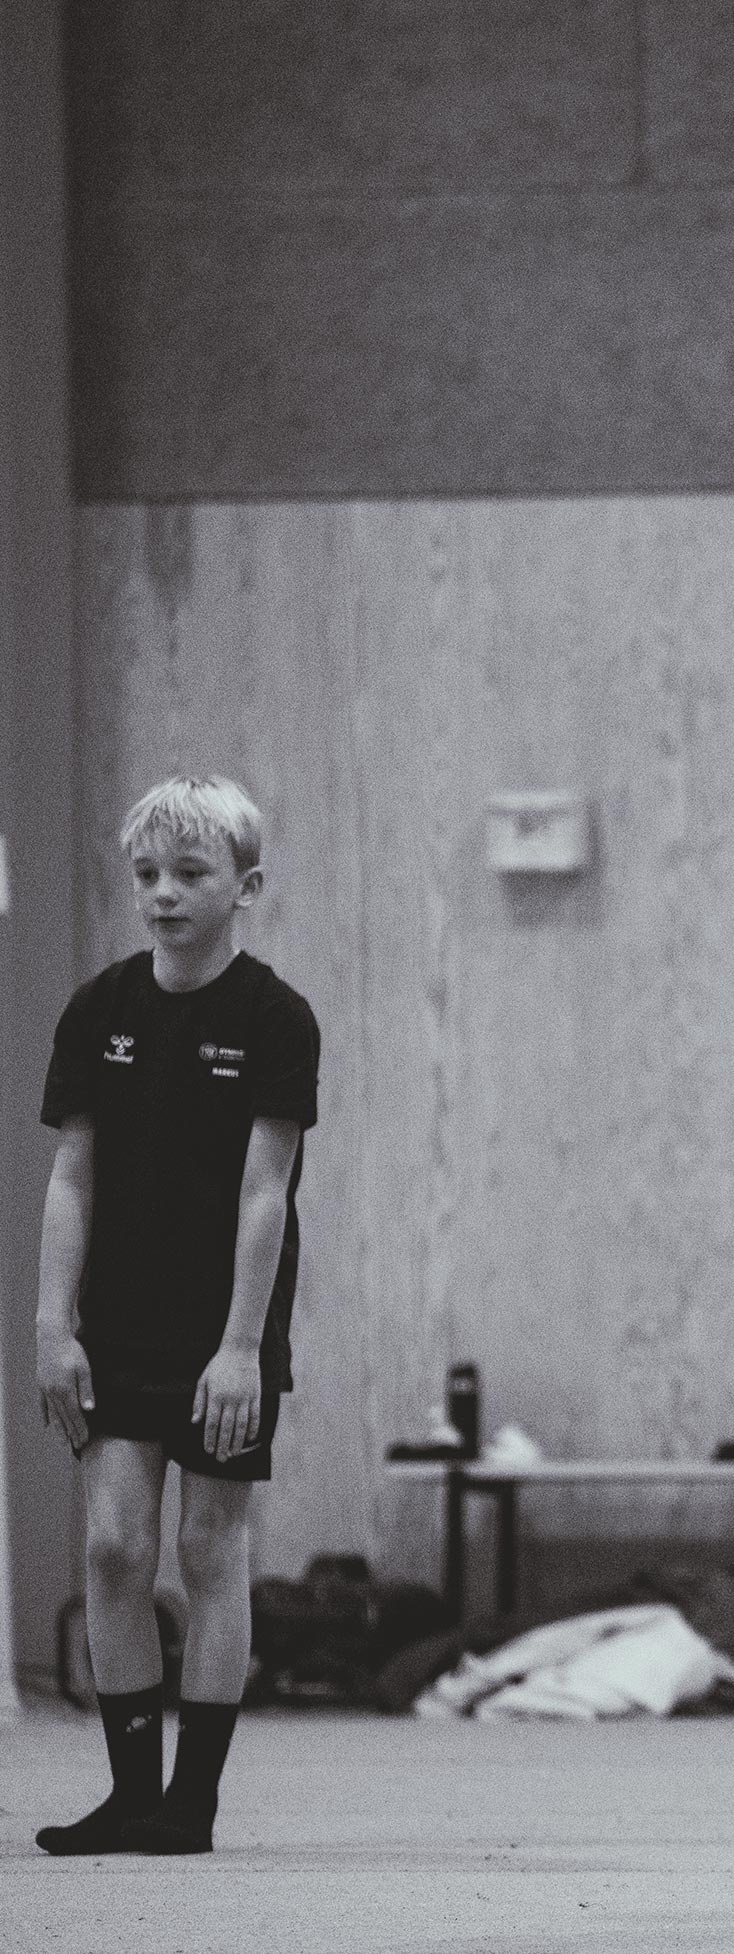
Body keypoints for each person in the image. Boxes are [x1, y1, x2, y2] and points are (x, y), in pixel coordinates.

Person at [34, 775, 320, 1856]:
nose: (163, 893)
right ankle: (129, 1794)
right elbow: (72, 1177)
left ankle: (190, 1802)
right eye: (148, 873)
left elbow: (265, 1191)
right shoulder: (99, 1009)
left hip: (223, 1331)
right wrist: (52, 1325)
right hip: (116, 1324)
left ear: (245, 886)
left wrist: (241, 1347)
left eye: (190, 874)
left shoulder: (274, 1018)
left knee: (207, 1547)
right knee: (115, 1548)